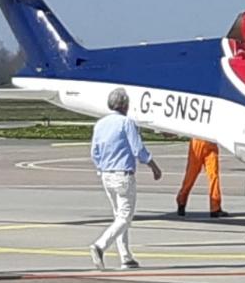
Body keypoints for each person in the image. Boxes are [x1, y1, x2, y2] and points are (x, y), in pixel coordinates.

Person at [89, 87, 162, 270]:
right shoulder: (126, 123)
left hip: (106, 175)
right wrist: (153, 165)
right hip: (123, 175)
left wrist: (101, 168)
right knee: (125, 217)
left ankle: (125, 256)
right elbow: (137, 149)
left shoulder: (100, 124)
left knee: (118, 216)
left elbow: (94, 152)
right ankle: (100, 245)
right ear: (124, 104)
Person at [176, 138, 227, 218]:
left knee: (213, 175)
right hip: (197, 141)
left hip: (211, 142)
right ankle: (181, 200)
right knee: (191, 175)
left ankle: (215, 207)